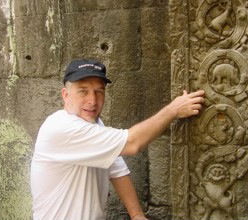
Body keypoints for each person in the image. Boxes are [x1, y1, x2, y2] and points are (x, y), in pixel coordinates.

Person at [30, 59, 205, 220]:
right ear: (65, 95)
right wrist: (173, 110)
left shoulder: (96, 126)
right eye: (83, 91)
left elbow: (117, 170)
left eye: (99, 92)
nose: (92, 100)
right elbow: (132, 143)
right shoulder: (61, 127)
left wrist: (136, 215)